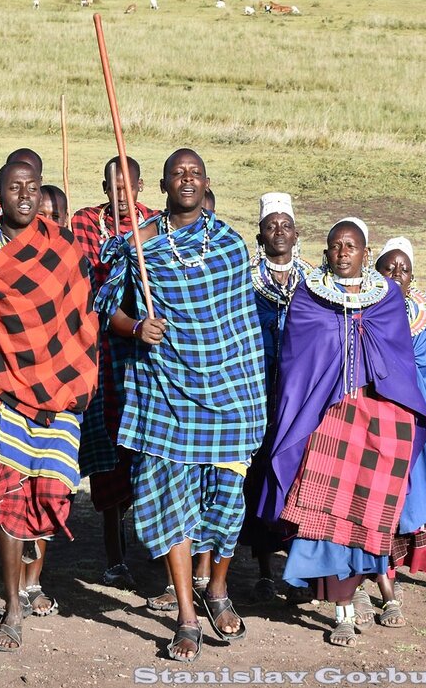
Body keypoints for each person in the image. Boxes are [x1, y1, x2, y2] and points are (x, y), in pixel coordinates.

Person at [96, 148, 266, 662]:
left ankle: (218, 588)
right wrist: (136, 327)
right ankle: (187, 617)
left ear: (206, 183)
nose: (187, 180)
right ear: (164, 186)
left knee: (227, 502)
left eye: (195, 173)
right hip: (168, 394)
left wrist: (244, 391)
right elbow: (105, 307)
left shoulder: (231, 245)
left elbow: (241, 327)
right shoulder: (141, 244)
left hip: (228, 395)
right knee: (174, 505)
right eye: (178, 174)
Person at [0, 160, 98, 653]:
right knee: (9, 496)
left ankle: (34, 577)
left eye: (31, 187)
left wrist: (75, 371)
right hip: (1, 385)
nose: (25, 195)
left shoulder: (62, 246)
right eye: (14, 188)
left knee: (49, 489)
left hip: (58, 387)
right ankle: (12, 606)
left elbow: (81, 315)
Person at [259, 218, 426, 647]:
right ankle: (343, 612)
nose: (342, 253)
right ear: (326, 251)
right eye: (335, 245)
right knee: (327, 515)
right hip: (328, 418)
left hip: (378, 417)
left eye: (351, 246)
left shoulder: (386, 298)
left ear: (366, 253)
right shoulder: (310, 295)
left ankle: (370, 588)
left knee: (371, 513)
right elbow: (299, 361)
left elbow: (399, 360)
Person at [70, 156, 157, 592]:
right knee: (108, 459)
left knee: (149, 456)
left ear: (140, 186)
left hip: (146, 356)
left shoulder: (156, 226)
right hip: (101, 354)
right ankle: (115, 557)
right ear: (104, 188)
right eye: (113, 187)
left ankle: (158, 557)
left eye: (128, 186)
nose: (122, 195)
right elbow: (83, 282)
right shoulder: (86, 223)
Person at [370, 236, 426, 628]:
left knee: (395, 505)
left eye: (404, 269)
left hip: (411, 425)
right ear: (375, 272)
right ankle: (373, 583)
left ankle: (384, 576)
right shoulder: (360, 311)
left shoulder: (425, 319)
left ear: (413, 277)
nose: (396, 274)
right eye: (389, 267)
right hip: (371, 423)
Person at [240, 193, 311, 603]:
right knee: (259, 478)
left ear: (296, 233)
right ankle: (265, 570)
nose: (279, 232)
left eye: (286, 226)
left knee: (300, 478)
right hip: (257, 399)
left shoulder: (314, 282)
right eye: (271, 226)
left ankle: (298, 572)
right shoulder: (245, 281)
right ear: (260, 235)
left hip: (301, 402)